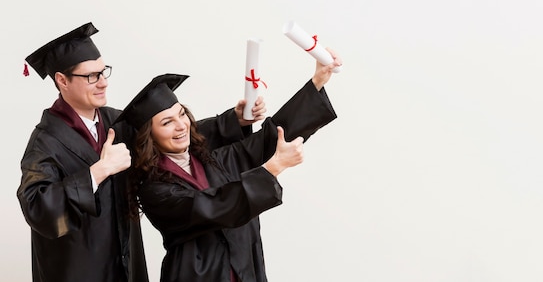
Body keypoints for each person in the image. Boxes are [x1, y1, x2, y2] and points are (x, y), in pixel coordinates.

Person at [17, 22, 266, 282]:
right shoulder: (45, 141)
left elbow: (168, 136)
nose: (103, 83)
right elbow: (37, 207)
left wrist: (233, 121)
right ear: (62, 80)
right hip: (77, 269)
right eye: (92, 76)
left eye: (104, 72)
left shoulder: (114, 121)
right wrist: (97, 172)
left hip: (125, 263)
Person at [114, 52, 341, 282]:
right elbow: (214, 206)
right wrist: (273, 168)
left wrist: (317, 82)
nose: (180, 126)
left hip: (244, 270)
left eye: (181, 114)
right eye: (167, 122)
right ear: (149, 136)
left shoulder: (210, 159)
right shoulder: (154, 189)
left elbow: (268, 139)